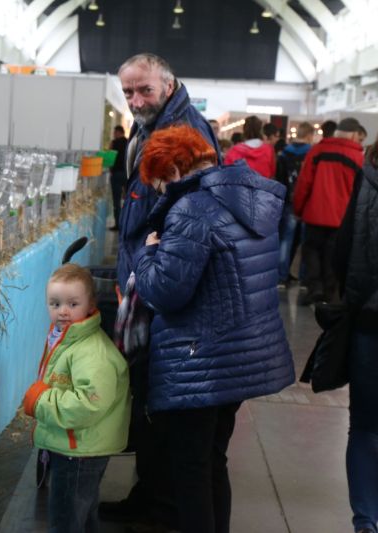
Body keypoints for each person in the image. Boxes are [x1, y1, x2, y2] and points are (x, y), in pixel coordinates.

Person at [134, 124, 295, 533]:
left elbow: (165, 292)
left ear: (171, 171)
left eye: (157, 183)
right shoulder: (249, 198)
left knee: (190, 469)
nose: (158, 192)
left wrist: (146, 253)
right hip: (240, 354)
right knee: (212, 460)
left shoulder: (193, 209)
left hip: (201, 358)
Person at [105, 52, 219, 530]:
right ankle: (151, 496)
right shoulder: (147, 125)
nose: (134, 100)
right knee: (148, 401)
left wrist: (151, 276)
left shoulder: (185, 132)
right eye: (128, 92)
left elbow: (190, 222)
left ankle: (163, 503)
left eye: (143, 90)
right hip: (144, 280)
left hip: (163, 291)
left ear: (168, 86)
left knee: (165, 410)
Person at [22, 263, 131, 533]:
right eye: (55, 303)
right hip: (76, 445)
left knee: (66, 519)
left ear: (90, 303)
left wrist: (40, 401)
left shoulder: (91, 352)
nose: (63, 311)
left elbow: (89, 402)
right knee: (83, 514)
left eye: (73, 303)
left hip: (79, 451)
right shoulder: (68, 338)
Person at [334, 133, 378, 533]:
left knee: (365, 425)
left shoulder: (370, 174)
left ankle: (366, 519)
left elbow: (344, 246)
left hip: (369, 321)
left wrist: (351, 295)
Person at [294, 117, 364, 306]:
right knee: (333, 256)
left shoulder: (317, 150)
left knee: (312, 252)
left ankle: (314, 288)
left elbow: (304, 182)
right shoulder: (358, 158)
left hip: (315, 214)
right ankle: (329, 293)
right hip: (341, 218)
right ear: (354, 134)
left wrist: (298, 208)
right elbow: (360, 193)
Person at [275, 121, 314, 287]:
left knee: (286, 239)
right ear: (309, 135)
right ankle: (304, 278)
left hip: (288, 201)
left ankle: (281, 276)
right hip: (306, 201)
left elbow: (280, 178)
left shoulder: (284, 153)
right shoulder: (312, 153)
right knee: (306, 241)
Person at [109, 125, 128, 230]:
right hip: (127, 174)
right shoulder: (129, 142)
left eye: (115, 132)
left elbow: (109, 159)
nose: (114, 134)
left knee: (116, 200)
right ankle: (126, 224)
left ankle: (118, 224)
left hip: (116, 174)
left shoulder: (113, 143)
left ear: (119, 132)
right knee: (128, 199)